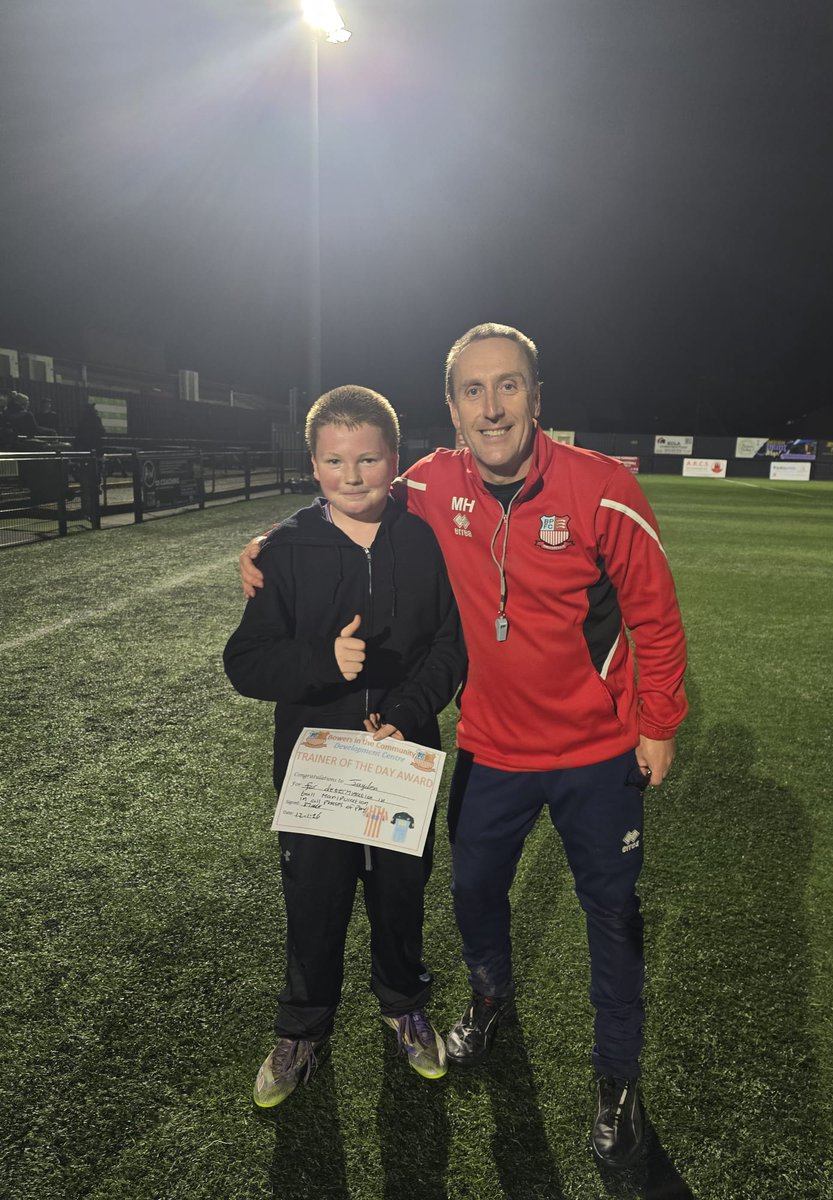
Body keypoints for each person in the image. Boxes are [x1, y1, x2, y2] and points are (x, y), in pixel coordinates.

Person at [240, 326, 687, 1167]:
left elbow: (656, 616)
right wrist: (270, 541)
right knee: (475, 896)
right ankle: (488, 1001)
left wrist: (658, 722)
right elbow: (347, 492)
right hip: (490, 750)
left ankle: (618, 1078)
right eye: (474, 391)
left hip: (598, 753)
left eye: (508, 386)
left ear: (536, 396)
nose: (493, 407)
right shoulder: (430, 482)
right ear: (452, 410)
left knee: (612, 917)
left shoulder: (604, 487)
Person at [224, 385, 464, 1109]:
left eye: (368, 459)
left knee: (400, 892)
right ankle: (302, 1027)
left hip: (401, 754)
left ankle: (404, 1005)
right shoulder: (285, 549)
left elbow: (450, 644)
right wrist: (323, 662)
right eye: (335, 461)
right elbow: (245, 662)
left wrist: (409, 709)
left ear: (396, 459)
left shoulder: (424, 538)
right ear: (313, 464)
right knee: (314, 896)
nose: (352, 476)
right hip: (317, 763)